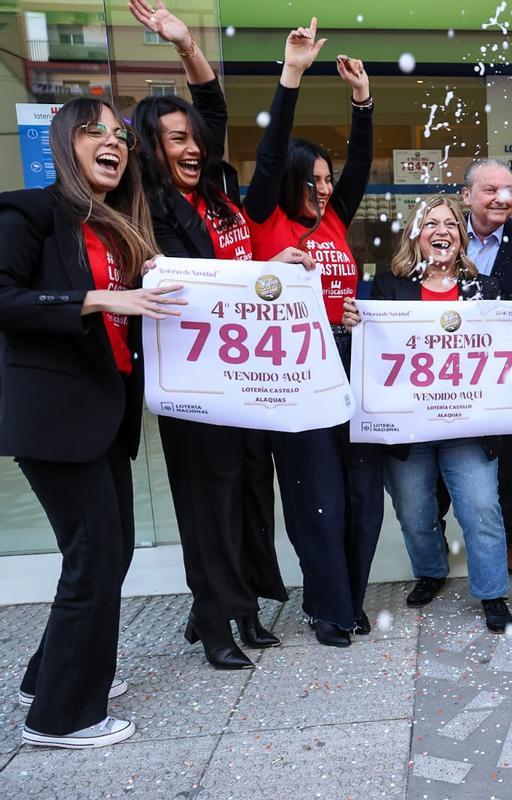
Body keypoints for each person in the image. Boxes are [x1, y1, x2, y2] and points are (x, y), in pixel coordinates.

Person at [0, 97, 184, 748]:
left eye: (120, 135)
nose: (112, 142)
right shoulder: (28, 212)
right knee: (96, 556)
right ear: (64, 144)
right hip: (54, 416)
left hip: (104, 417)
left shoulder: (117, 229)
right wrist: (99, 297)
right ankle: (63, 716)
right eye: (93, 131)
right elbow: (5, 298)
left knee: (109, 552)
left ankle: (49, 676)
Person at [129, 0, 302, 668]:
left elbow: (214, 112)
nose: (192, 145)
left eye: (193, 136)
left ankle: (247, 605)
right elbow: (194, 283)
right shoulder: (150, 207)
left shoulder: (218, 189)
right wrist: (261, 268)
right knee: (211, 503)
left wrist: (185, 45)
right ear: (151, 148)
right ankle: (215, 620)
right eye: (175, 139)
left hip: (244, 375)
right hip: (197, 380)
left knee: (252, 490)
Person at [243, 18, 383, 648]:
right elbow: (271, 154)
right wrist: (292, 74)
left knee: (361, 495)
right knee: (316, 499)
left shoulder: (333, 220)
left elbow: (357, 167)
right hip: (293, 372)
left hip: (349, 363)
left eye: (328, 183)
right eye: (315, 181)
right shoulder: (266, 216)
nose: (326, 191)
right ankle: (326, 608)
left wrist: (362, 102)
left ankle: (348, 600)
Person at [342, 197, 512, 633]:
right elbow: (373, 349)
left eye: (451, 223)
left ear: (461, 235)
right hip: (408, 429)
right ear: (416, 236)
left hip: (468, 427)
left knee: (480, 508)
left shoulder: (485, 289)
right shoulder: (388, 288)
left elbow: (507, 345)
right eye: (431, 223)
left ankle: (493, 592)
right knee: (415, 514)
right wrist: (354, 324)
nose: (442, 230)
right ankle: (432, 571)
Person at [441, 158, 512, 576]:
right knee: (439, 457)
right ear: (466, 196)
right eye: (490, 190)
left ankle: (505, 538)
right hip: (443, 376)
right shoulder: (441, 237)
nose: (503, 198)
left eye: (509, 190)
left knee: (508, 463)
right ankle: (434, 539)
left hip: (506, 377)